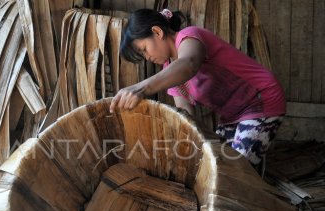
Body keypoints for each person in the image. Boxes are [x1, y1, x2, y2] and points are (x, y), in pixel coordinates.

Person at [109, 8, 286, 167]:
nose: (147, 57)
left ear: (157, 32)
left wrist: (141, 88)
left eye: (144, 49)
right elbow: (186, 114)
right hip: (232, 116)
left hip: (262, 100)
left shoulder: (189, 36)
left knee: (238, 170)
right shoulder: (170, 72)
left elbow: (189, 63)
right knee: (219, 167)